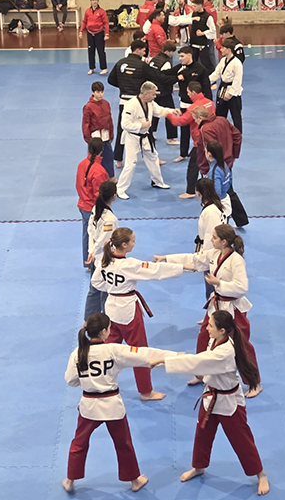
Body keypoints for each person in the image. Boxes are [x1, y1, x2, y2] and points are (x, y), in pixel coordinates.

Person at [151, 310, 269, 495]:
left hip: (229, 403)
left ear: (222, 330)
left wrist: (164, 361)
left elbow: (197, 361)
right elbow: (199, 361)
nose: (207, 327)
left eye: (211, 325)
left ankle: (261, 474)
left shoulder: (224, 352)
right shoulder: (214, 341)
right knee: (202, 435)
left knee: (242, 440)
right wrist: (168, 359)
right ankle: (199, 467)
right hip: (210, 396)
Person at [63, 312, 175, 494]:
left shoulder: (78, 353)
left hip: (89, 406)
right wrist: (173, 357)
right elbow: (143, 354)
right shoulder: (113, 350)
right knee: (123, 444)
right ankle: (135, 480)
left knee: (79, 443)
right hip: (112, 406)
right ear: (104, 332)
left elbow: (70, 380)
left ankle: (70, 479)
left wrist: (87, 381)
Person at [154, 225, 262, 397]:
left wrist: (219, 283)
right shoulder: (213, 254)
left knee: (242, 346)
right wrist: (166, 258)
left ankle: (254, 382)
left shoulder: (236, 260)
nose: (211, 240)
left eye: (214, 237)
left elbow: (242, 287)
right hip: (216, 306)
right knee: (204, 337)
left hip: (233, 308)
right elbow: (192, 258)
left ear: (224, 241)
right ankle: (201, 374)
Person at [91, 227, 184, 399]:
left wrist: (113, 288)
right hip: (128, 311)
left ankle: (99, 386)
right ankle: (146, 391)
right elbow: (156, 271)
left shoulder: (105, 260)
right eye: (133, 241)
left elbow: (96, 282)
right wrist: (183, 268)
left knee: (106, 351)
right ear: (124, 244)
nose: (135, 243)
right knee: (140, 352)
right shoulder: (130, 264)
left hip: (110, 309)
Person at [108, 41, 178, 168]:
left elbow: (111, 80)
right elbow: (157, 77)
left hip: (124, 100)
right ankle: (154, 158)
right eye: (143, 50)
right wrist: (176, 76)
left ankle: (118, 159)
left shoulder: (120, 63)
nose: (145, 52)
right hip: (138, 102)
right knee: (147, 129)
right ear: (138, 50)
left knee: (121, 129)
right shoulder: (142, 66)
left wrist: (123, 86)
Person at [115, 82, 179, 200]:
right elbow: (125, 124)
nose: (155, 96)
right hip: (132, 137)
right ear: (145, 94)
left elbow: (160, 111)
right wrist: (141, 125)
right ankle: (120, 189)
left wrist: (171, 111)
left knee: (153, 158)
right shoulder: (130, 105)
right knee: (131, 164)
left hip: (145, 136)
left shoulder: (150, 103)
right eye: (153, 94)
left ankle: (157, 182)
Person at [192, 105, 249, 228]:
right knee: (228, 189)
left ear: (200, 117)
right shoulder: (222, 120)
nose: (196, 122)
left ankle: (217, 222)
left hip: (214, 165)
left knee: (214, 193)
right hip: (227, 161)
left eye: (195, 119)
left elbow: (209, 150)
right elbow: (237, 135)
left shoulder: (205, 129)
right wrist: (234, 154)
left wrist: (204, 168)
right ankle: (240, 219)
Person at [166, 81, 215, 199]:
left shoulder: (193, 108)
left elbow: (180, 121)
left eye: (188, 92)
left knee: (194, 166)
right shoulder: (210, 103)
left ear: (193, 92)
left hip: (200, 141)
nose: (187, 94)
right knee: (210, 165)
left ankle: (190, 191)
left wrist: (168, 114)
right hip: (212, 138)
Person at [83, 181, 118, 321]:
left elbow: (90, 231)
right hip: (105, 259)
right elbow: (104, 240)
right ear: (114, 196)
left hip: (95, 256)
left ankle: (88, 320)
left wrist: (91, 251)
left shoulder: (95, 208)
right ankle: (106, 322)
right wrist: (94, 251)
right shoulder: (110, 219)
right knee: (106, 291)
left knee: (94, 290)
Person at [174, 46, 213, 164]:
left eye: (182, 56)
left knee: (201, 130)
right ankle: (183, 153)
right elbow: (165, 75)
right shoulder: (180, 68)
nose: (180, 58)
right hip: (184, 104)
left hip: (198, 106)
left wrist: (208, 103)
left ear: (189, 55)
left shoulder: (200, 69)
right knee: (184, 130)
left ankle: (206, 151)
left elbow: (206, 86)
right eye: (179, 56)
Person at [77, 138, 110, 267]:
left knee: (87, 235)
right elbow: (100, 195)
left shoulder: (82, 164)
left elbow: (78, 184)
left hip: (83, 204)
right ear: (102, 150)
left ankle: (88, 262)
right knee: (98, 237)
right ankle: (94, 263)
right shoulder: (99, 171)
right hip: (93, 208)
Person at [147, 40, 180, 145]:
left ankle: (151, 132)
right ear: (168, 51)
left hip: (153, 91)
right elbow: (165, 79)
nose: (172, 54)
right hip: (164, 92)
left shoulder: (154, 59)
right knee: (170, 113)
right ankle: (171, 137)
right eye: (172, 52)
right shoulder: (166, 63)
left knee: (153, 112)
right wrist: (176, 78)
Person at [210, 39, 244, 134]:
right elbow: (216, 74)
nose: (221, 49)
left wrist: (230, 93)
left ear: (229, 49)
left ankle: (238, 135)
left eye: (223, 48)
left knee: (236, 116)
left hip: (233, 93)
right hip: (222, 89)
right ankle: (219, 133)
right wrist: (206, 81)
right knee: (220, 115)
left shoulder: (237, 63)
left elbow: (237, 80)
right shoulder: (223, 60)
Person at [82, 81, 115, 179]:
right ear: (93, 92)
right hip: (95, 137)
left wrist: (111, 134)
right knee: (94, 159)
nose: (100, 94)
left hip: (105, 136)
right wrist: (88, 139)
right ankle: (91, 177)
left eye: (102, 92)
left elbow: (110, 120)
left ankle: (110, 177)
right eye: (98, 92)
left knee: (109, 157)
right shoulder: (88, 107)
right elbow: (85, 124)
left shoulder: (106, 104)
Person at [79, 0, 109, 75]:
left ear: (98, 1)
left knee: (101, 51)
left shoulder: (102, 12)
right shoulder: (87, 11)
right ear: (90, 1)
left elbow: (106, 23)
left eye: (95, 0)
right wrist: (81, 31)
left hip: (99, 34)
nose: (94, 1)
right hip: (90, 34)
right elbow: (84, 22)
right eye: (93, 0)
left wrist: (107, 34)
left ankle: (104, 68)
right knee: (91, 51)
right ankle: (91, 68)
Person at [205, 140, 232, 216]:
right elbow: (230, 180)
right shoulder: (223, 164)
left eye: (205, 151)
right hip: (225, 199)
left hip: (218, 205)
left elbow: (217, 192)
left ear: (209, 154)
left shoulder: (214, 171)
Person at [190, 0, 217, 71]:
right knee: (193, 64)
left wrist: (203, 33)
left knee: (206, 64)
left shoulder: (208, 17)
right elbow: (185, 19)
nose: (193, 8)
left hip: (203, 45)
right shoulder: (193, 14)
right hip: (193, 43)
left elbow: (213, 30)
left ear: (200, 5)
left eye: (195, 6)